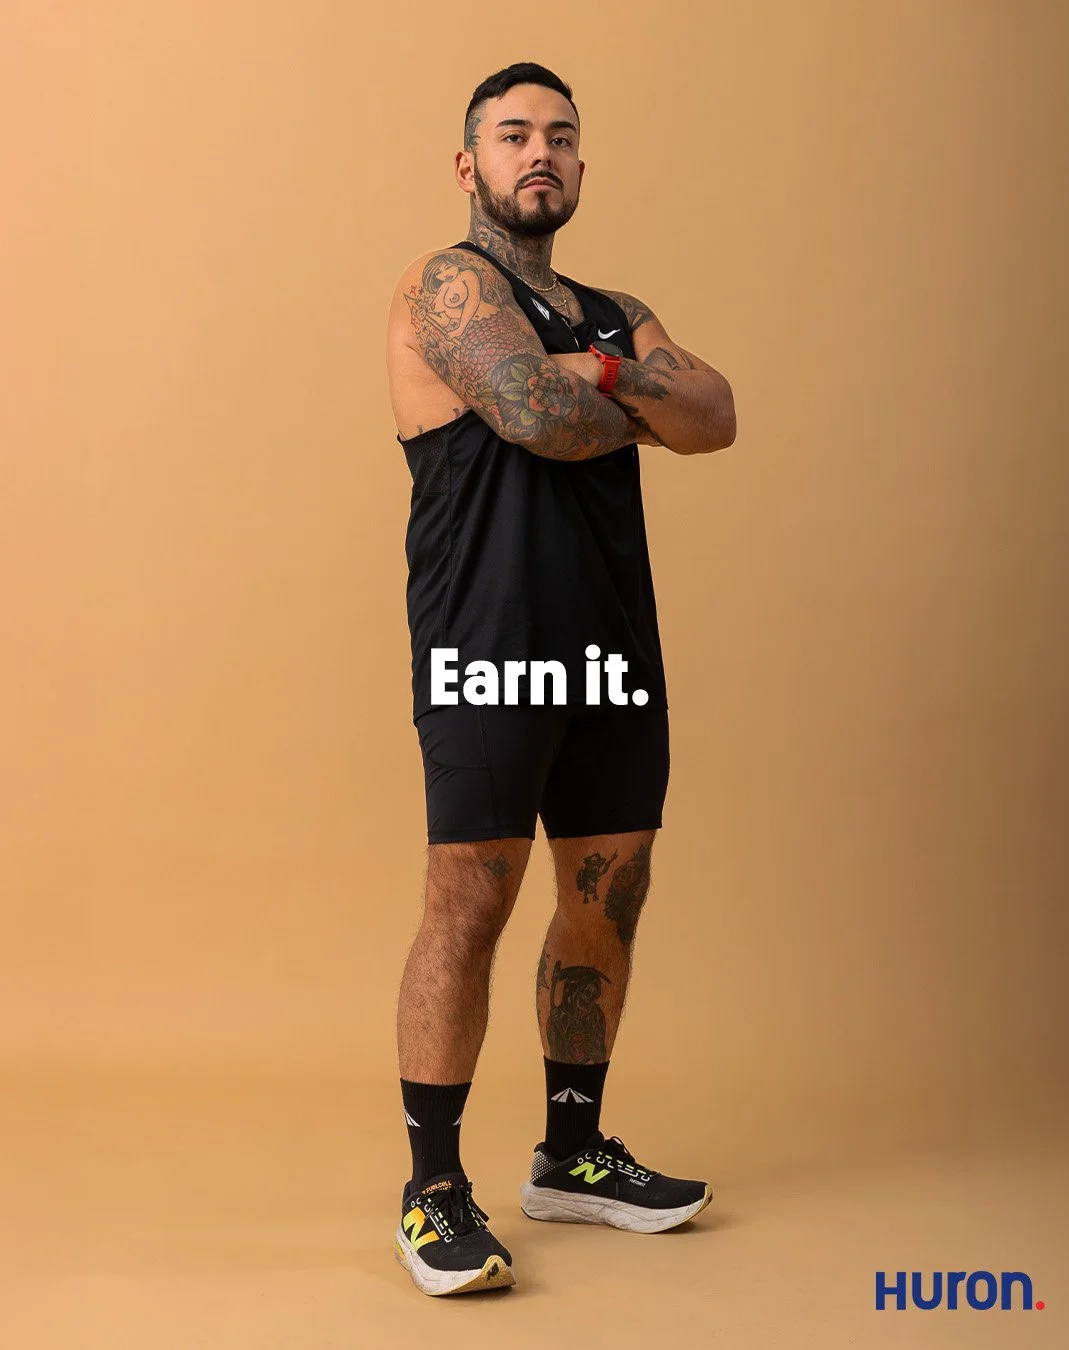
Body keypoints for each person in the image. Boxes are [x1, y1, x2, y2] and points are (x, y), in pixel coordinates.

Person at [384, 61, 737, 1297]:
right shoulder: (447, 286)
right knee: (469, 905)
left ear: (581, 165)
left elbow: (718, 413)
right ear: (469, 161)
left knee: (609, 893)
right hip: (487, 639)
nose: (542, 152)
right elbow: (533, 412)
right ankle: (434, 1193)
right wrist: (618, 390)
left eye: (563, 137)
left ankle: (572, 1157)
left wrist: (594, 381)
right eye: (514, 134)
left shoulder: (611, 301)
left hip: (609, 643)